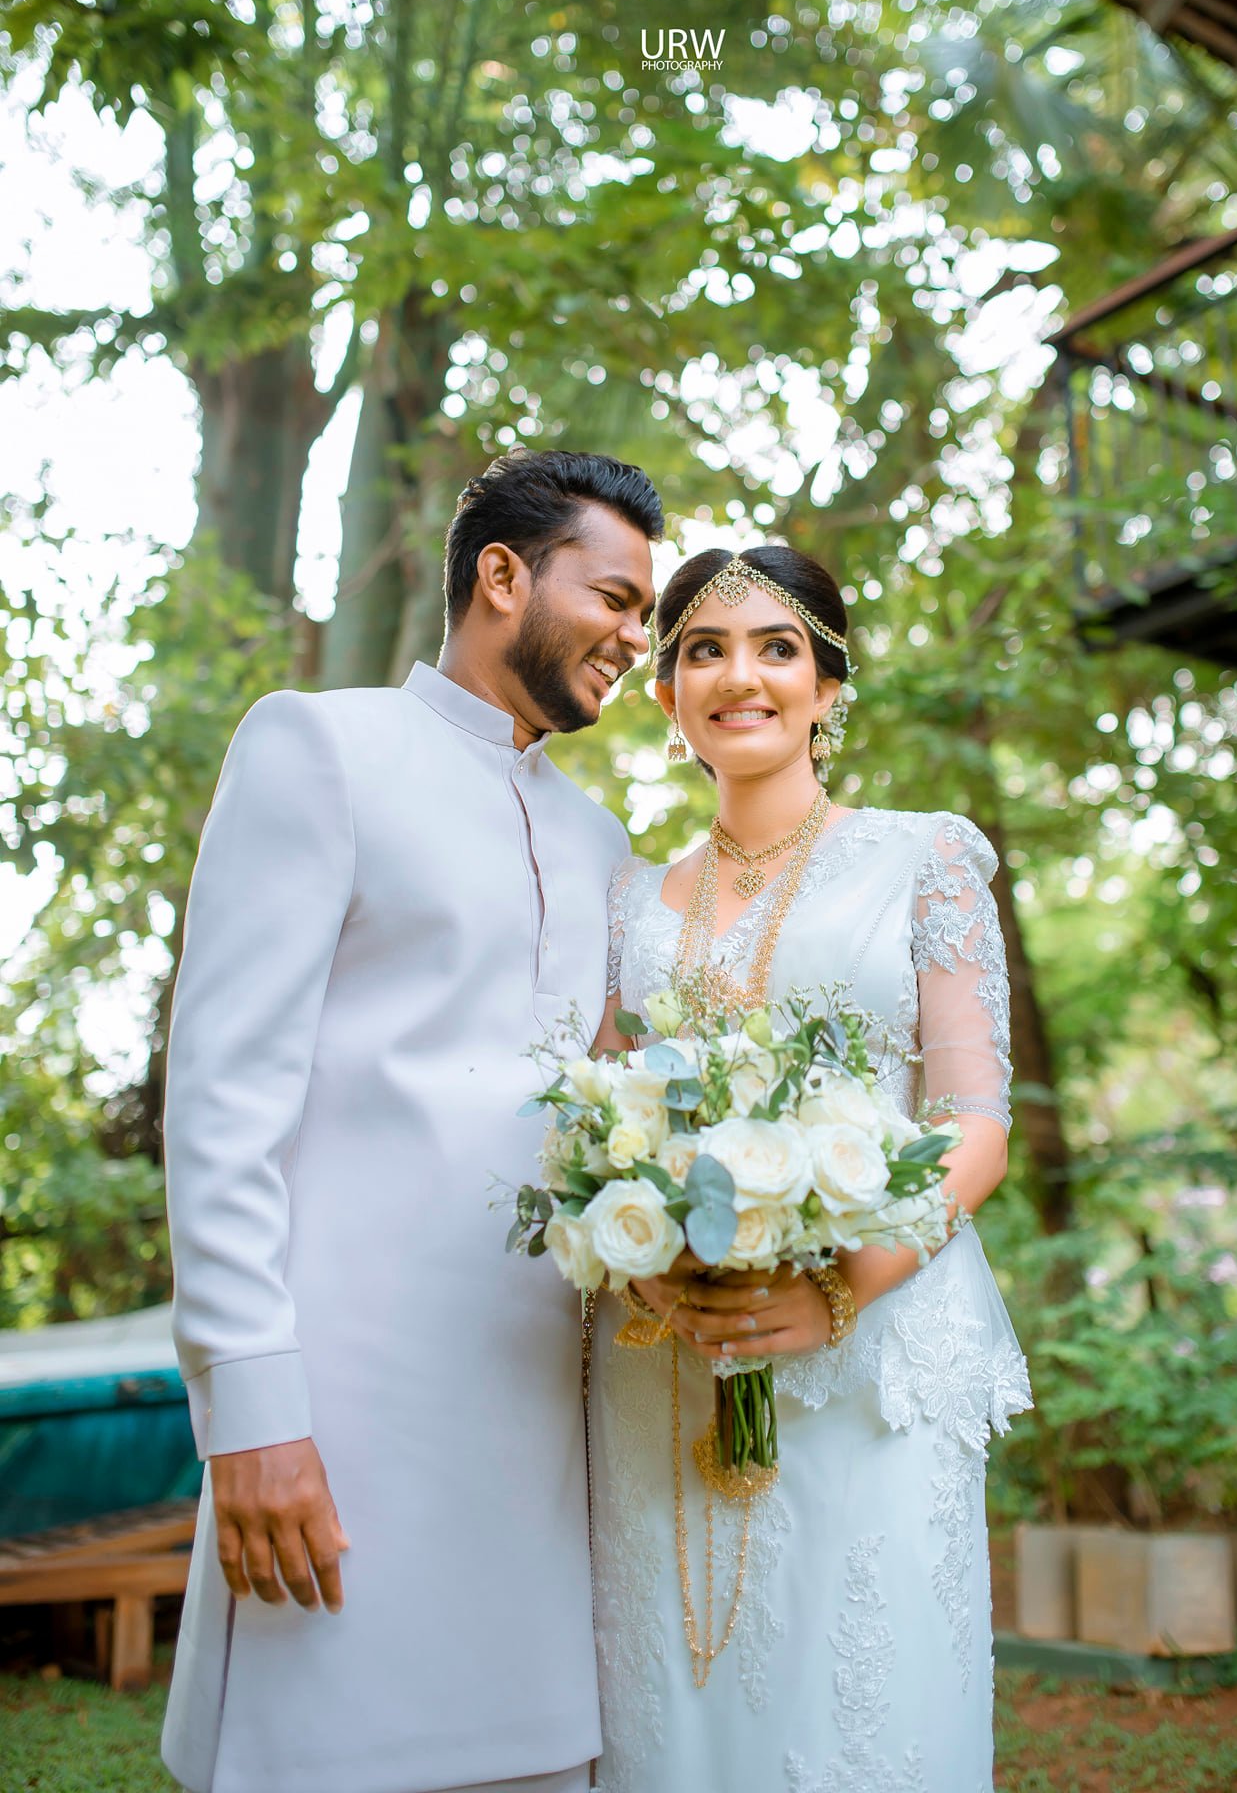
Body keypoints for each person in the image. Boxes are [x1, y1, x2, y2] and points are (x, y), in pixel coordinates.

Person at [160, 448, 661, 1793]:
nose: (634, 635)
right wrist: (248, 1406)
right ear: (501, 575)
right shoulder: (320, 747)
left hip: (542, 1405)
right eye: (614, 597)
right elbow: (223, 1096)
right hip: (344, 1400)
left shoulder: (602, 842)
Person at [588, 544, 1031, 1793]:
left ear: (828, 686)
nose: (740, 675)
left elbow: (973, 1117)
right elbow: (604, 1128)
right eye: (703, 650)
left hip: (871, 1348)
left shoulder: (920, 859)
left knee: (859, 1706)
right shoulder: (629, 901)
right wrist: (643, 1264)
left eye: (776, 647)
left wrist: (839, 1284)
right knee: (681, 1705)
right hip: (670, 1358)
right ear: (668, 695)